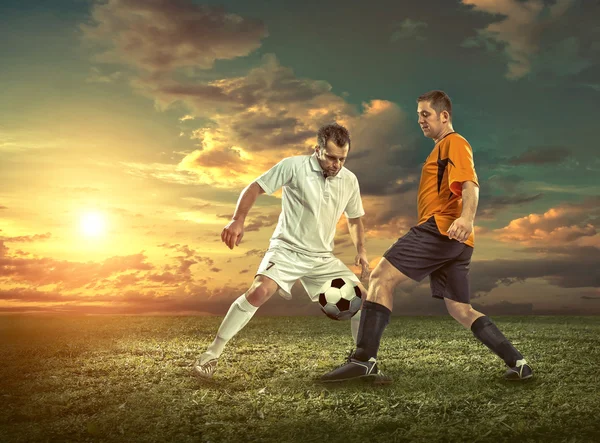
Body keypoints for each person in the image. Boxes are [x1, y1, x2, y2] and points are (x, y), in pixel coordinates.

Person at [321, 90, 533, 383]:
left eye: (426, 114)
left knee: (381, 277)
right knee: (460, 309)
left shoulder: (453, 143)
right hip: (456, 241)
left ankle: (363, 360)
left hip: (442, 230)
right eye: (418, 114)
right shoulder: (439, 148)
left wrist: (466, 219)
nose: (419, 119)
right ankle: (518, 363)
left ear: (444, 116)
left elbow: (471, 184)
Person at [193, 123, 370, 378]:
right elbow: (255, 187)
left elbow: (354, 219)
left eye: (342, 159)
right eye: (331, 157)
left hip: (321, 258)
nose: (337, 165)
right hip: (287, 249)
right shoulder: (293, 166)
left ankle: (360, 362)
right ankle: (209, 357)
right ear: (317, 150)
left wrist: (362, 250)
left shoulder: (349, 180)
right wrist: (237, 219)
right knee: (259, 291)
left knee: (364, 299)